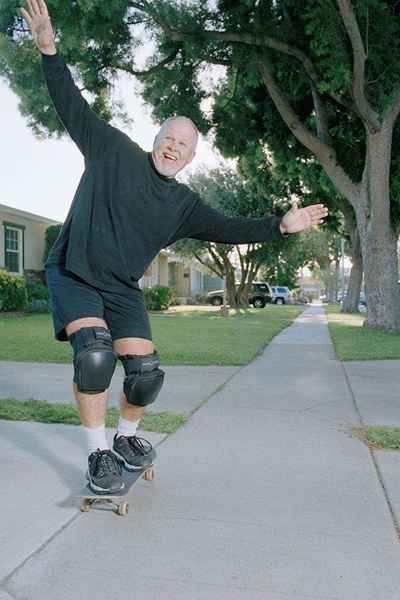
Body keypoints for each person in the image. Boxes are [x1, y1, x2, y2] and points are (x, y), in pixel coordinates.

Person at [19, 0, 329, 493]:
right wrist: (50, 50)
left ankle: (126, 439)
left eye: (184, 146)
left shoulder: (184, 204)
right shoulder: (112, 149)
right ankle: (98, 454)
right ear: (156, 137)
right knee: (95, 356)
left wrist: (281, 226)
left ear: (189, 158)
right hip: (75, 271)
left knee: (145, 374)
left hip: (121, 288)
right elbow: (69, 103)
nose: (173, 148)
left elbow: (231, 226)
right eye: (169, 138)